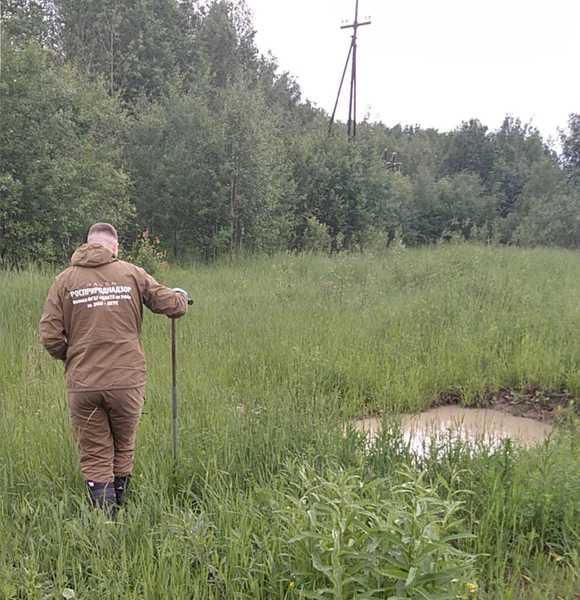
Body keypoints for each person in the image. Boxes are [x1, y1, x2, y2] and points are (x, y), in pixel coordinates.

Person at [39, 223, 189, 516]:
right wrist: (181, 297)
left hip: (84, 383)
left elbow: (50, 336)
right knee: (123, 445)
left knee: (95, 453)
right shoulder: (131, 273)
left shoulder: (64, 280)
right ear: (114, 247)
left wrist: (72, 357)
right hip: (127, 380)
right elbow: (172, 305)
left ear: (87, 245)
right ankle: (122, 510)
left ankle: (105, 522)